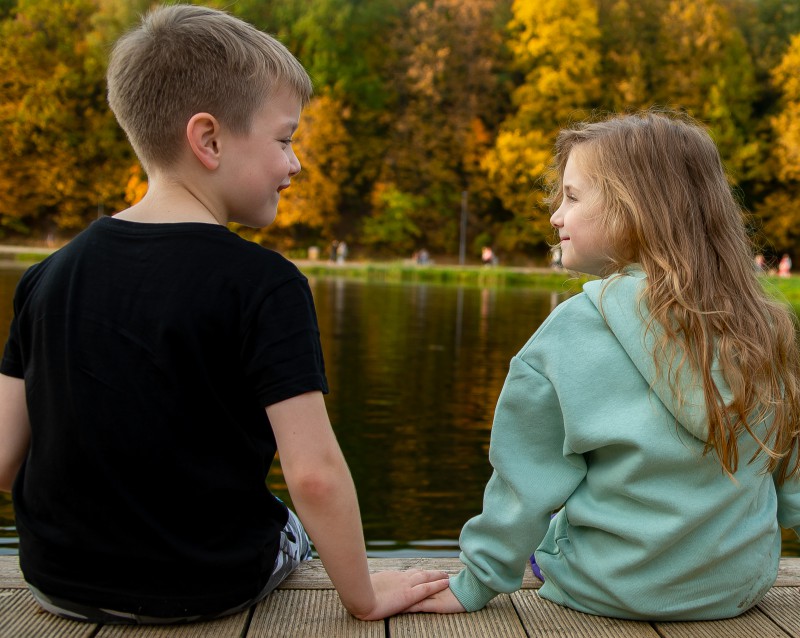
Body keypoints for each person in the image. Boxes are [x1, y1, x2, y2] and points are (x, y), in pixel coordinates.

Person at [0, 4, 447, 625]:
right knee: (289, 521)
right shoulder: (265, 284)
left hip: (55, 583)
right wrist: (365, 598)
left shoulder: (46, 276)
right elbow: (313, 476)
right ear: (208, 139)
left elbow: (4, 459)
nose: (296, 164)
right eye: (285, 139)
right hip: (204, 586)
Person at [407, 110, 800, 620]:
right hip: (736, 592)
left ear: (633, 210)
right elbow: (789, 470)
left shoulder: (571, 331)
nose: (555, 216)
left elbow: (524, 482)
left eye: (571, 197)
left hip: (611, 590)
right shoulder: (763, 325)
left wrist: (477, 582)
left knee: (550, 526)